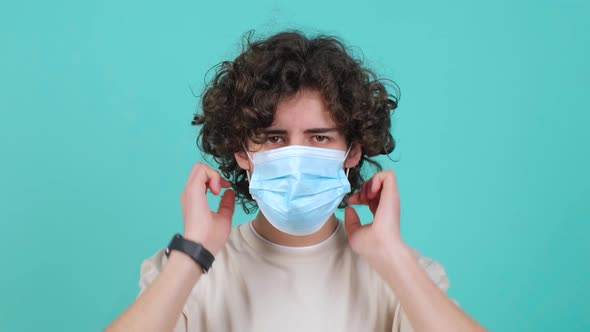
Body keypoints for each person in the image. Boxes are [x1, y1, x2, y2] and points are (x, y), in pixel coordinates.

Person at [106, 30, 487, 332]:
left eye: (319, 138)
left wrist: (394, 260)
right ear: (242, 151)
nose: (296, 157)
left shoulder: (404, 275)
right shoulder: (185, 272)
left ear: (352, 151)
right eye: (274, 138)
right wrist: (192, 255)